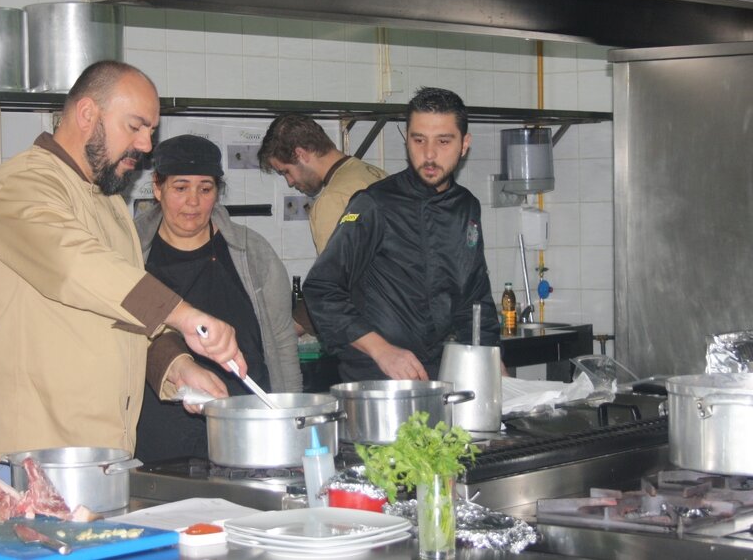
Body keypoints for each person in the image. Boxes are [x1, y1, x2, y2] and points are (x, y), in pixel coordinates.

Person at [0, 61, 244, 477]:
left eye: (151, 131)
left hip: (102, 451)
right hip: (32, 455)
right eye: (134, 127)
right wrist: (184, 314)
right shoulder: (20, 186)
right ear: (86, 115)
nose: (146, 145)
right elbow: (76, 266)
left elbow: (127, 313)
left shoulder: (108, 202)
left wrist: (178, 367)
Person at [303, 87, 500, 382]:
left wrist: (492, 362)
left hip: (438, 370)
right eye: (418, 140)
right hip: (377, 375)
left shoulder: (466, 206)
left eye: (443, 141)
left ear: (464, 144)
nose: (429, 154)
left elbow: (476, 297)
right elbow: (321, 290)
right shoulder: (374, 204)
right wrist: (382, 350)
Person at [134, 135, 302, 461]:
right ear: (158, 188)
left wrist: (291, 422)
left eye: (205, 189)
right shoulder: (130, 255)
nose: (193, 202)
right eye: (180, 188)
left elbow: (282, 344)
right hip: (157, 447)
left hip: (247, 439)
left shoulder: (252, 253)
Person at [257, 113, 386, 254]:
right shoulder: (376, 174)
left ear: (301, 154)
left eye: (286, 171)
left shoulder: (332, 200)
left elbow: (334, 274)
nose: (290, 182)